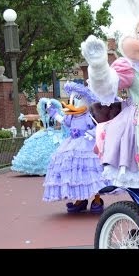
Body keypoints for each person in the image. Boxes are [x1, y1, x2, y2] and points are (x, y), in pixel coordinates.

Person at [42, 81, 112, 213]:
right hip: (71, 145)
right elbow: (63, 120)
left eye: (77, 100)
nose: (72, 104)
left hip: (87, 146)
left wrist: (91, 134)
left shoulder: (88, 116)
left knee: (91, 173)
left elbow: (99, 126)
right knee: (75, 174)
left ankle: (97, 199)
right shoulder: (71, 117)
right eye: (71, 100)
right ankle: (80, 199)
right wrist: (53, 112)